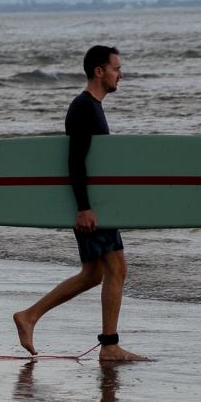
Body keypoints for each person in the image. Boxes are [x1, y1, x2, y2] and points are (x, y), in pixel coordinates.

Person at [13, 45, 149, 363]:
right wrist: (84, 208)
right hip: (92, 207)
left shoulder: (90, 106)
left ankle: (29, 316)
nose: (120, 74)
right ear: (99, 71)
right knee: (115, 269)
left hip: (94, 204)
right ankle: (109, 346)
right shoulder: (84, 107)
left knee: (93, 274)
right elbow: (75, 161)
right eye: (116, 68)